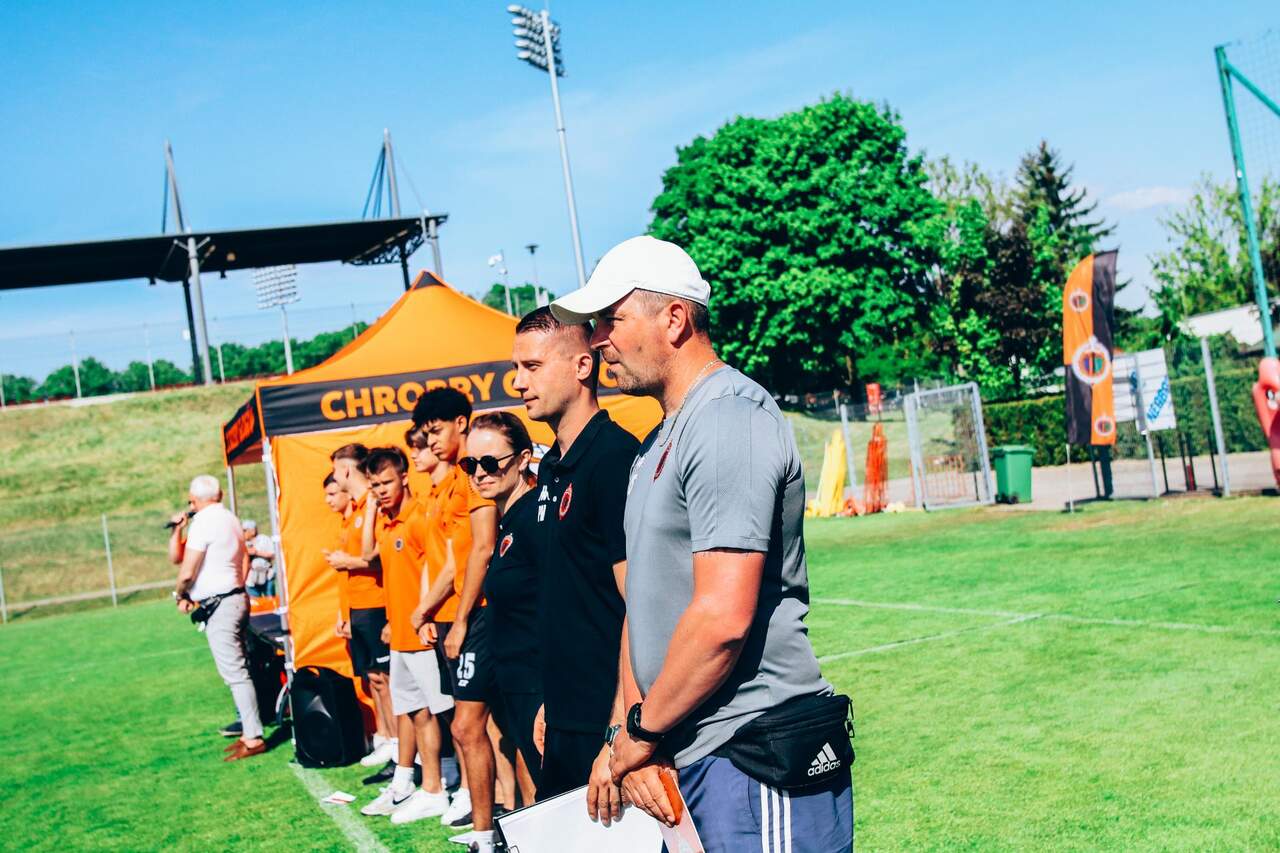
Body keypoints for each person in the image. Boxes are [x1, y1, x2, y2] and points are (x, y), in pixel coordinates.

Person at [551, 236, 854, 852]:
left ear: (674, 318)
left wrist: (638, 737)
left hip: (754, 752)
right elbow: (642, 607)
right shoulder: (658, 442)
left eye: (611, 320)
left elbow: (721, 619)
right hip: (691, 753)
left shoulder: (727, 418)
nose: (596, 340)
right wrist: (628, 736)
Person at [510, 306, 638, 816]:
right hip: (563, 718)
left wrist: (618, 731)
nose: (518, 382)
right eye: (516, 368)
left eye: (532, 367)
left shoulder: (614, 459)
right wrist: (552, 701)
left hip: (607, 728)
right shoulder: (552, 469)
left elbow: (640, 607)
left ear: (583, 366)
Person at [410, 388, 500, 850]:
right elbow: (451, 560)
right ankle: (495, 819)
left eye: (436, 430)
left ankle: (489, 828)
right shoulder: (447, 484)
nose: (430, 442)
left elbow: (482, 549)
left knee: (471, 725)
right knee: (482, 726)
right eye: (426, 434)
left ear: (461, 423)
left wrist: (460, 618)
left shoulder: (474, 474)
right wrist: (427, 608)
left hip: (481, 613)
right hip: (457, 614)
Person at [358, 447, 454, 824]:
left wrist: (424, 614)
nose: (380, 491)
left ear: (403, 477)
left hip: (421, 634)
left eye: (385, 483)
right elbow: (370, 555)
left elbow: (437, 569)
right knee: (414, 713)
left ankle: (450, 786)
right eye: (374, 485)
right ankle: (427, 786)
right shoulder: (387, 521)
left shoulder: (418, 517)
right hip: (399, 634)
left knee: (447, 715)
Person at [463, 411, 542, 806]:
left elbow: (559, 614)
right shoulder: (509, 520)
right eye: (470, 464)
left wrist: (550, 699)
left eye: (490, 462)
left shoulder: (534, 520)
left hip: (541, 689)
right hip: (518, 683)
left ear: (524, 459)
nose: (479, 473)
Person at [168, 474, 265, 762]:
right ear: (220, 494)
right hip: (235, 597)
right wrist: (237, 584)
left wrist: (180, 594)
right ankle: (250, 731)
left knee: (235, 673)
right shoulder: (230, 519)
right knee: (240, 669)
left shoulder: (203, 523)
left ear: (194, 500)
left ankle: (253, 736)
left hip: (221, 603)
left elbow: (187, 569)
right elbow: (244, 559)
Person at [323, 444, 396, 771]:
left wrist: (348, 561)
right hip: (360, 606)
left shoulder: (372, 506)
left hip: (377, 603)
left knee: (387, 680)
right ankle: (388, 739)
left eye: (336, 471)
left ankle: (398, 746)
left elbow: (379, 557)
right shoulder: (356, 511)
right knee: (376, 679)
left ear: (346, 470)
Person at [241, 520, 275, 597]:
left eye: (245, 530)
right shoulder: (242, 543)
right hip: (251, 580)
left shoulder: (264, 539)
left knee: (271, 600)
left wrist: (256, 552)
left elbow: (273, 555)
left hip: (267, 577)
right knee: (254, 602)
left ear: (253, 531)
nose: (243, 533)